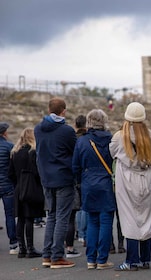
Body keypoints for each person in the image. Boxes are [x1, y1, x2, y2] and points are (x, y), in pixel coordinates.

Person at [110, 102, 151, 271]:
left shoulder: (119, 136)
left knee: (128, 218)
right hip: (146, 176)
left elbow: (112, 152)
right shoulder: (150, 135)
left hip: (127, 177)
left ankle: (132, 260)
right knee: (146, 216)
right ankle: (146, 259)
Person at [34, 97, 77, 268]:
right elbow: (75, 152)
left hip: (46, 177)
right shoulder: (66, 131)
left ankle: (47, 255)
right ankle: (57, 256)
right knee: (62, 218)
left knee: (51, 216)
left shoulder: (38, 129)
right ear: (63, 111)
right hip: (63, 177)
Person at [73, 109, 116, 270]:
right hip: (106, 183)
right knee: (106, 222)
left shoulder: (82, 141)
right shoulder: (111, 140)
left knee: (92, 222)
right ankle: (102, 259)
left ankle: (91, 258)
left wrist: (80, 182)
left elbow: (75, 166)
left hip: (88, 183)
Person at [8, 128, 44, 258]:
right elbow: (36, 171)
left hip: (19, 187)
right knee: (29, 217)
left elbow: (10, 173)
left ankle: (21, 248)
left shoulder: (15, 152)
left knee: (21, 219)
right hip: (31, 187)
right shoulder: (32, 152)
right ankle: (30, 248)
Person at [0, 122, 19, 254]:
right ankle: (13, 244)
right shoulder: (9, 146)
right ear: (4, 133)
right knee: (10, 214)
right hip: (7, 184)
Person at [74, 115, 88, 248]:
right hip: (86, 174)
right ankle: (84, 234)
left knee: (77, 207)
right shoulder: (86, 139)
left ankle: (79, 233)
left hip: (76, 176)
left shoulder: (73, 139)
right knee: (84, 207)